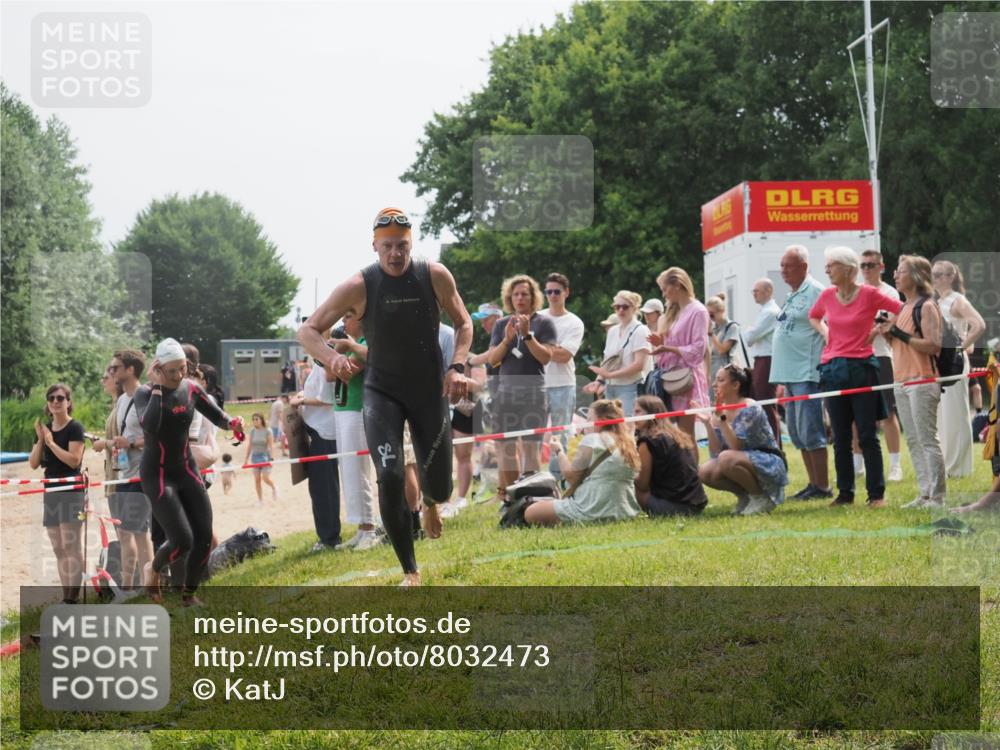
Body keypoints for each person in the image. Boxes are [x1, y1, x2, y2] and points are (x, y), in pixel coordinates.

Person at [298, 207, 472, 587]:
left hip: (428, 390)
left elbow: (463, 322)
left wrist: (457, 366)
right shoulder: (359, 285)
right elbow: (308, 330)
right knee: (389, 474)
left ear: (412, 244)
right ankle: (410, 570)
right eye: (388, 246)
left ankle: (430, 504)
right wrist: (331, 357)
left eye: (403, 246)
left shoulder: (434, 275)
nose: (396, 254)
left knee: (439, 485)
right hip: (382, 392)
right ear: (375, 246)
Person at [135, 338, 244, 606]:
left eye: (182, 368)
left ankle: (189, 595)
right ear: (158, 368)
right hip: (158, 474)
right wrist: (159, 388)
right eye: (171, 370)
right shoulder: (145, 393)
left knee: (204, 538)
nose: (179, 375)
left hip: (186, 469)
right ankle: (154, 568)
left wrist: (233, 423)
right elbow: (149, 426)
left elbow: (217, 415)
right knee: (182, 541)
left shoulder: (191, 389)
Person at [809, 246, 903, 508]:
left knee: (867, 434)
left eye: (832, 265)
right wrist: (826, 333)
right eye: (827, 265)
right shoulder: (827, 295)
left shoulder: (870, 294)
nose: (827, 270)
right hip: (833, 369)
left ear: (848, 269)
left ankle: (876, 495)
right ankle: (845, 493)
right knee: (840, 436)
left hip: (862, 368)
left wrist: (882, 328)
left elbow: (902, 308)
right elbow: (814, 317)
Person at [877, 255, 946, 508]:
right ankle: (925, 493)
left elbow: (933, 345)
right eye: (896, 271)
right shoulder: (904, 308)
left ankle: (937, 498)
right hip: (902, 381)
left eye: (901, 271)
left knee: (928, 439)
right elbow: (900, 345)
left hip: (923, 380)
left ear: (916, 276)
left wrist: (898, 334)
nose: (895, 275)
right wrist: (888, 334)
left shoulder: (927, 306)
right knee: (914, 440)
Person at [486, 274, 557, 501]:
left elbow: (545, 357)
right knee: (506, 449)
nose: (519, 298)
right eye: (515, 294)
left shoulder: (544, 323)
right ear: (509, 298)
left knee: (530, 448)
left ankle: (532, 498)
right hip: (505, 393)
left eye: (524, 294)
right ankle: (513, 498)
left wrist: (527, 336)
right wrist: (507, 340)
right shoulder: (500, 324)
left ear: (533, 297)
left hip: (534, 393)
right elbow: (492, 360)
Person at [769, 246, 832, 500]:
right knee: (796, 431)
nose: (783, 270)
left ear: (804, 267)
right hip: (790, 375)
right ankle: (812, 483)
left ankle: (823, 486)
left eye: (789, 266)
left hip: (807, 372)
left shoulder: (816, 291)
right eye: (782, 265)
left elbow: (831, 324)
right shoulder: (793, 294)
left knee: (811, 430)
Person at [524, 399, 641, 526]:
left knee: (530, 512)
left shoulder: (592, 439)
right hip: (625, 511)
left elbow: (571, 477)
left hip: (591, 509)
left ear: (601, 421)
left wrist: (558, 450)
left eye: (589, 419)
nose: (586, 424)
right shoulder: (629, 442)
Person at [697, 365, 788, 515]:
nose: (714, 384)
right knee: (704, 471)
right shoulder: (721, 411)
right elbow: (715, 452)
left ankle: (760, 497)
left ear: (735, 385)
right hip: (738, 459)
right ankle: (745, 496)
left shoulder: (750, 407)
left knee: (726, 458)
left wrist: (722, 420)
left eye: (720, 380)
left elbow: (736, 446)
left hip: (769, 461)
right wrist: (708, 424)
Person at [29, 384, 86, 604]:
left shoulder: (75, 428)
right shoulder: (46, 429)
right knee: (58, 547)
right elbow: (34, 464)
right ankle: (67, 597)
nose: (55, 401)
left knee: (72, 545)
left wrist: (51, 443)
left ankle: (73, 597)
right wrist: (42, 439)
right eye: (51, 398)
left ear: (68, 402)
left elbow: (74, 460)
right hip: (51, 491)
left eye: (60, 398)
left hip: (71, 491)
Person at [647, 267, 710, 462]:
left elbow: (699, 349)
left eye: (665, 288)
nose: (663, 293)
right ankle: (686, 475)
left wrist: (667, 347)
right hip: (671, 377)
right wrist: (662, 344)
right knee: (678, 434)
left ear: (677, 285)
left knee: (686, 433)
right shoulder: (675, 312)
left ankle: (692, 478)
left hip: (686, 379)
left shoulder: (698, 311)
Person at [331, 312, 382, 551]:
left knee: (359, 470)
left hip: (357, 409)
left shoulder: (364, 343)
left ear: (362, 319)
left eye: (348, 317)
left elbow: (345, 372)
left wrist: (338, 352)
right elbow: (331, 375)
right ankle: (361, 528)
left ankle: (370, 528)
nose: (343, 322)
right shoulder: (353, 345)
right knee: (349, 471)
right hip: (343, 409)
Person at [933, 259, 987, 478]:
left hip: (954, 362)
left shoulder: (958, 300)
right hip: (940, 363)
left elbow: (979, 325)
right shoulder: (937, 300)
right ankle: (947, 463)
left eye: (939, 275)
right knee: (941, 414)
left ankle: (958, 467)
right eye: (933, 274)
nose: (934, 279)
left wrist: (959, 348)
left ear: (950, 277)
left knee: (955, 413)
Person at [856, 249, 904, 482]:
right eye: (863, 265)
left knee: (887, 413)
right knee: (857, 414)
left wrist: (876, 329)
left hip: (882, 356)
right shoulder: (856, 290)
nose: (866, 269)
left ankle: (895, 465)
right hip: (858, 355)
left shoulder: (889, 292)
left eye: (871, 265)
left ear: (881, 267)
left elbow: (891, 325)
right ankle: (858, 464)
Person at [108, 349, 152, 594]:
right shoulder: (123, 399)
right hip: (124, 472)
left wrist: (131, 443)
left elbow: (155, 435)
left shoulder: (145, 396)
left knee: (140, 532)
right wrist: (119, 442)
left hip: (141, 474)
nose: (112, 371)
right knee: (126, 530)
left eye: (116, 367)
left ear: (131, 370)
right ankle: (128, 588)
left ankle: (150, 586)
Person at [540, 273, 585, 474]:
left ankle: (558, 480)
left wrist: (541, 347)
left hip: (563, 385)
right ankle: (532, 480)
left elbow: (565, 355)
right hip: (537, 384)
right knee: (532, 435)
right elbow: (531, 352)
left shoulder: (574, 322)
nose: (552, 295)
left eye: (556, 291)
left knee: (560, 435)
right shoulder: (538, 317)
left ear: (566, 293)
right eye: (548, 291)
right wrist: (551, 348)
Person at [633, 395, 707, 516]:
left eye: (638, 412)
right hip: (697, 504)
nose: (634, 416)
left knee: (628, 484)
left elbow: (642, 484)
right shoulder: (677, 435)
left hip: (675, 507)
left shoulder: (648, 441)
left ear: (651, 414)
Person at [585, 291, 651, 419]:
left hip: (631, 387)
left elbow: (639, 365)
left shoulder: (641, 330)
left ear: (634, 308)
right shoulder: (613, 331)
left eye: (625, 307)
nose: (620, 310)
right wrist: (599, 380)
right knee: (612, 428)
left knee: (628, 428)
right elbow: (608, 362)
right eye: (617, 307)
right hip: (610, 387)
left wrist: (610, 375)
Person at [743, 278, 782, 442]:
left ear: (768, 291)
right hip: (762, 359)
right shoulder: (765, 311)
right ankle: (769, 439)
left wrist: (749, 331)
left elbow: (750, 336)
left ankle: (774, 441)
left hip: (766, 359)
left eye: (757, 291)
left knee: (766, 402)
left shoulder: (770, 312)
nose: (754, 294)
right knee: (762, 400)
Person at [706, 293, 743, 402]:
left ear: (721, 311)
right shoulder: (713, 328)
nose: (710, 318)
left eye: (711, 315)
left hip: (725, 369)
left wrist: (711, 334)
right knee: (713, 403)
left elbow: (722, 350)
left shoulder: (732, 327)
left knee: (724, 402)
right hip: (712, 370)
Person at [244, 413, 279, 504]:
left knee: (265, 478)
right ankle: (260, 500)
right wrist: (246, 459)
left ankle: (274, 487)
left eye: (257, 419)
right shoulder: (252, 431)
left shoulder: (268, 431)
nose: (255, 421)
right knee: (257, 480)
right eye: (254, 419)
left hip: (265, 457)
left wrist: (271, 458)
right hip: (255, 457)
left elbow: (271, 446)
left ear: (261, 420)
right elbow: (249, 445)